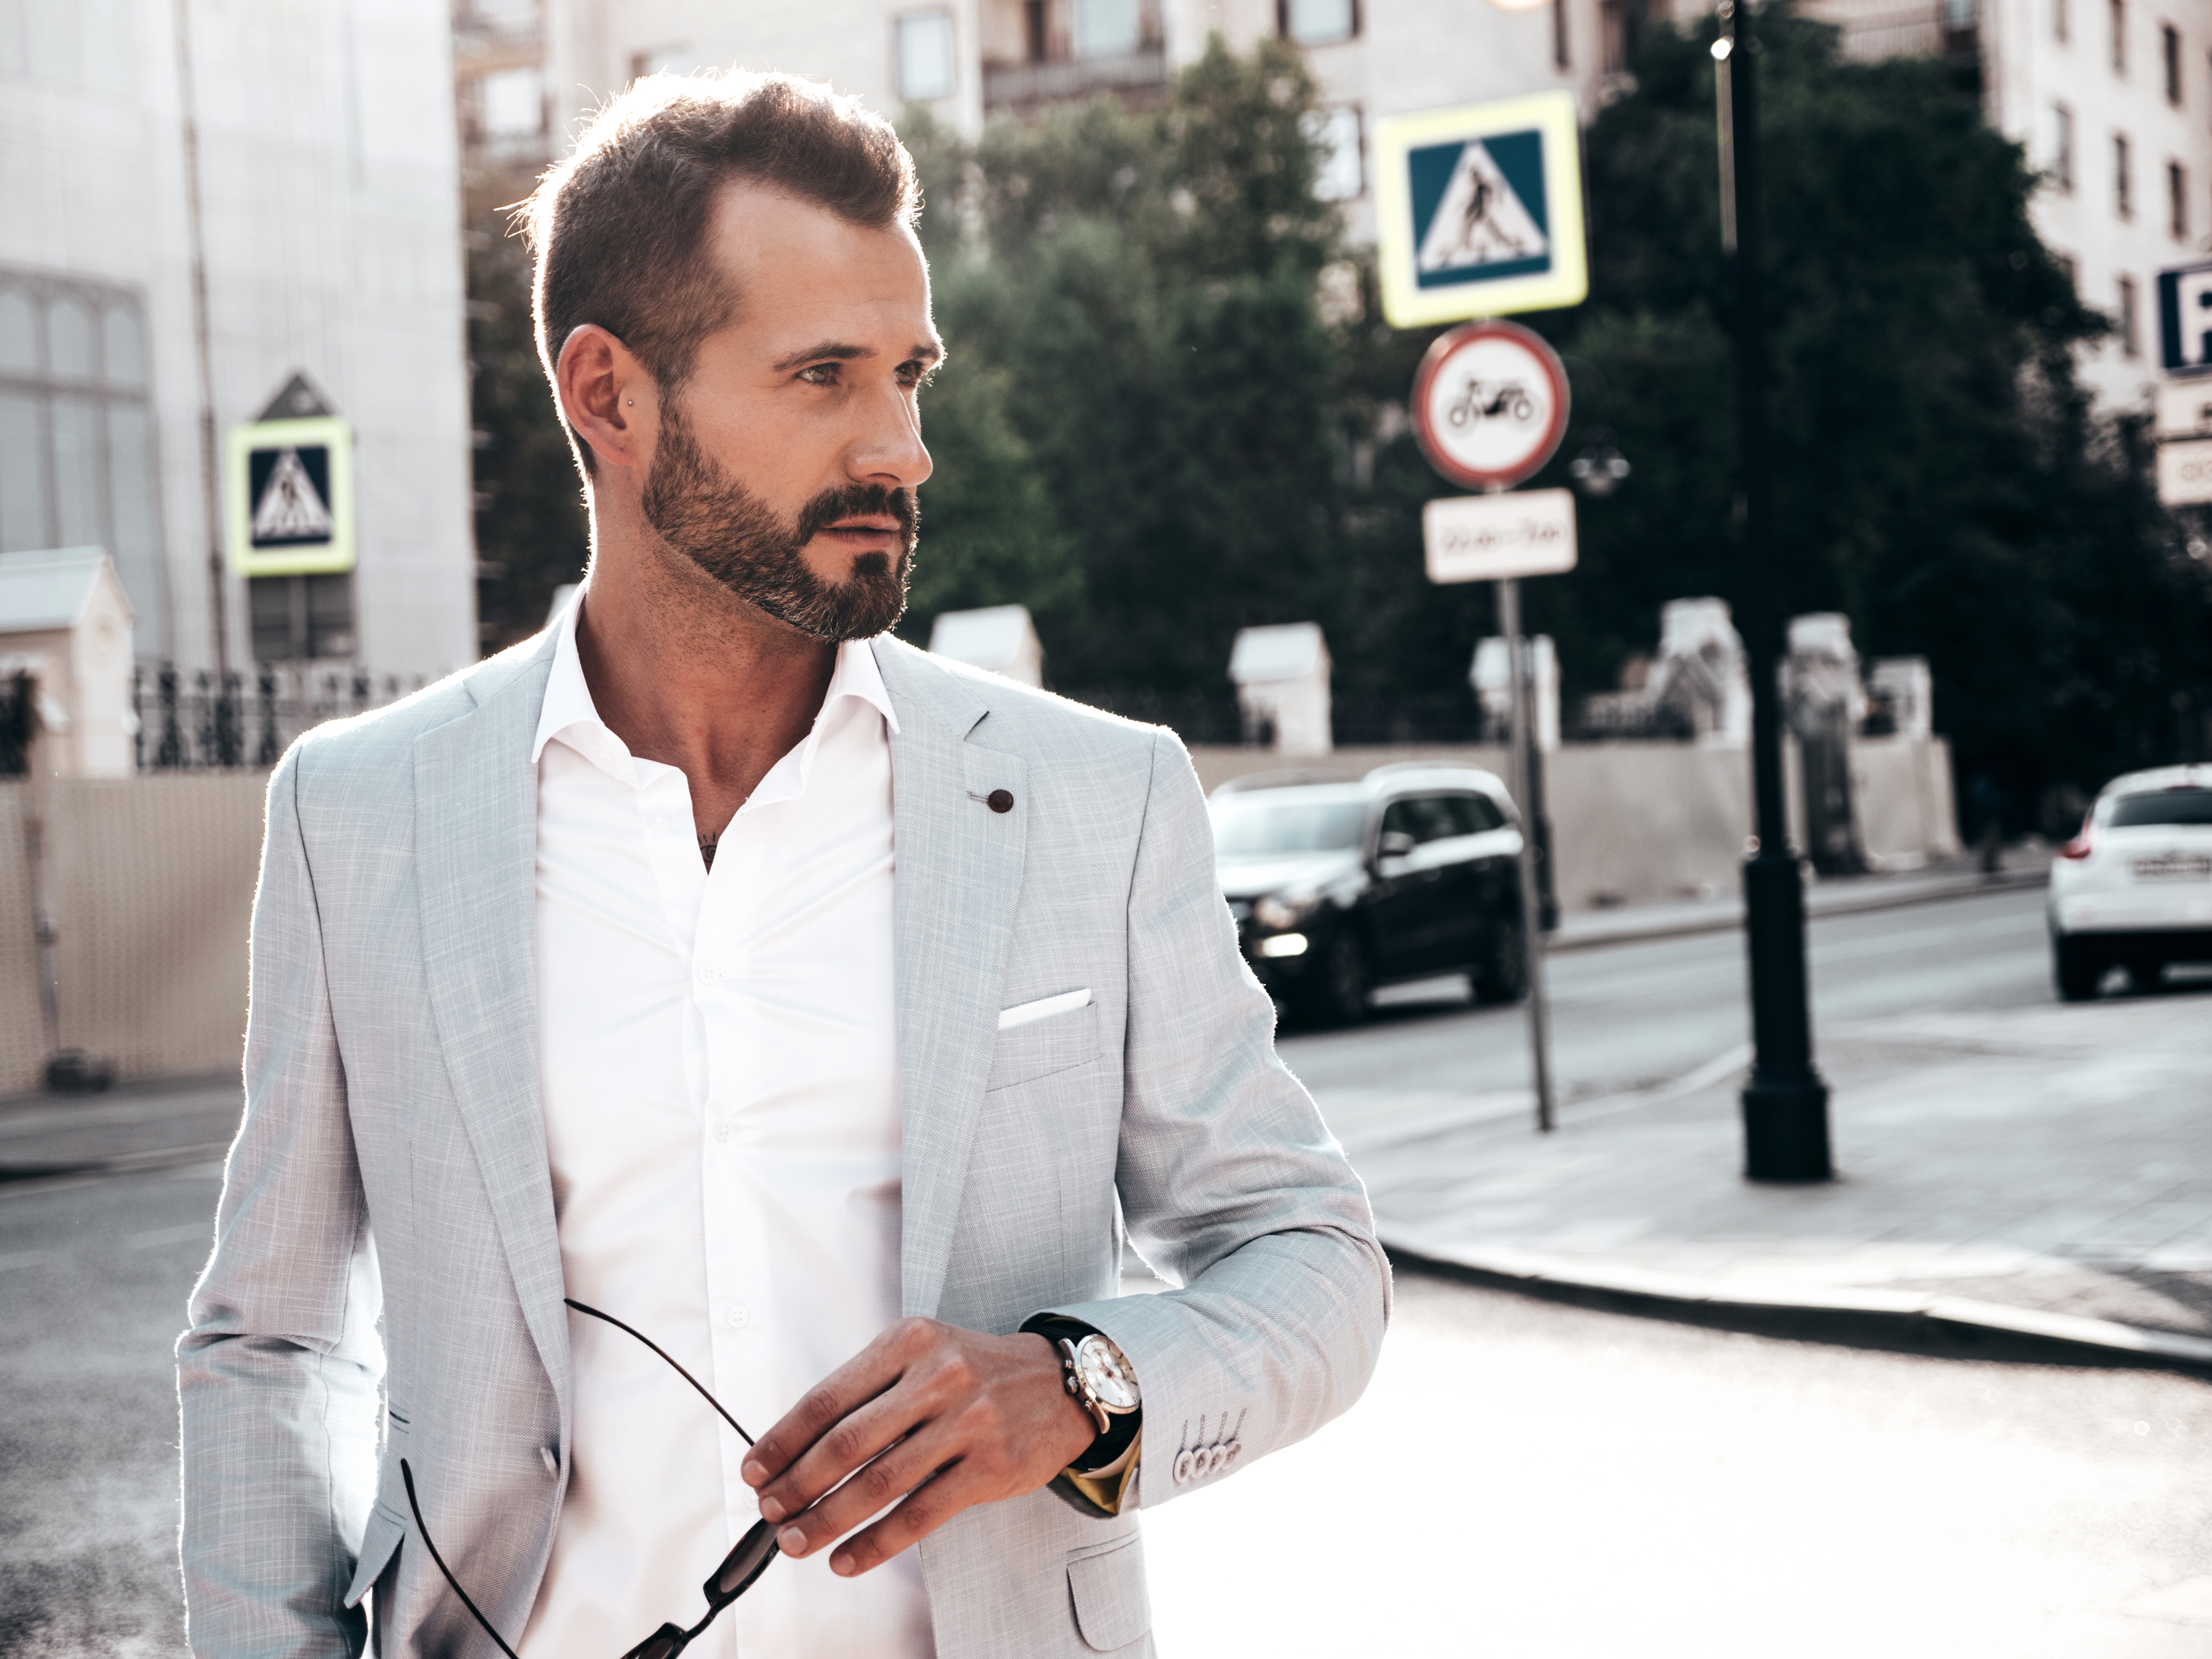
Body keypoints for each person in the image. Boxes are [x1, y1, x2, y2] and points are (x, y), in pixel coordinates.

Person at [177, 70, 1387, 1659]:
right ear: (608, 395)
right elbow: (271, 1339)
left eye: (909, 375)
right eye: (822, 376)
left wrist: (1081, 1385)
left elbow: (1312, 1256)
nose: (902, 447)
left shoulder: (1095, 798)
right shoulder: (362, 814)